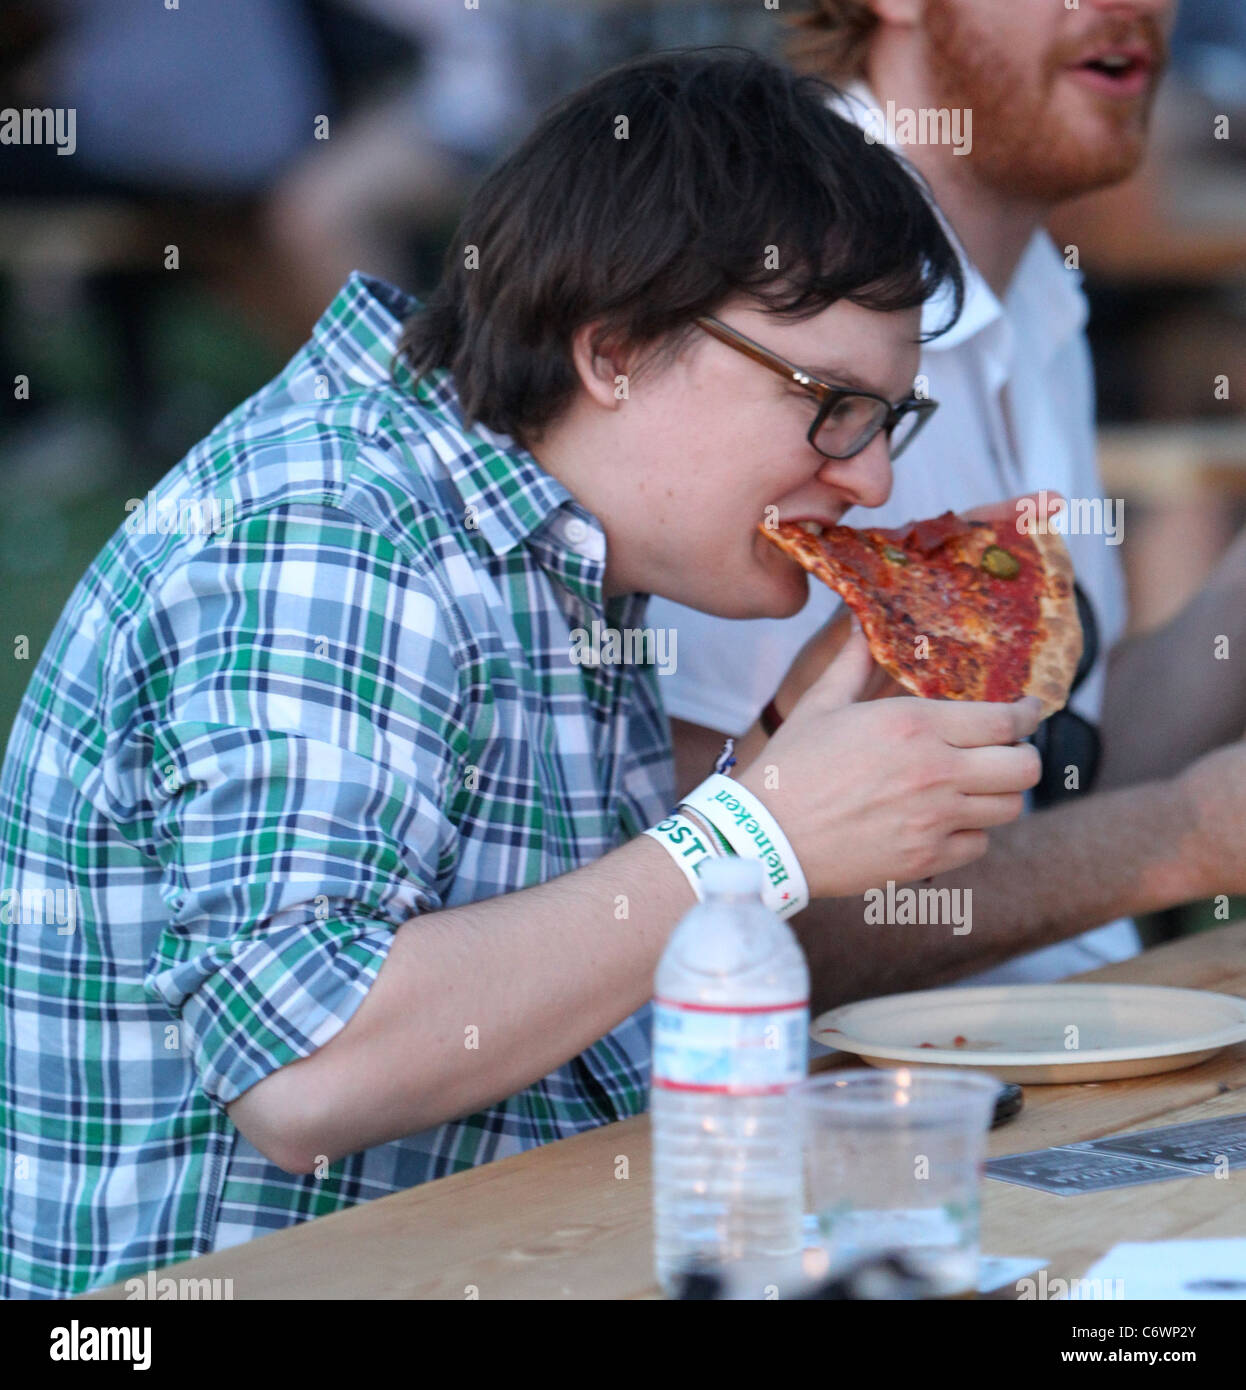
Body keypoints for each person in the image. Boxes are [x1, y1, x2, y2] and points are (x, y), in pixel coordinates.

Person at [0, 50, 1043, 1297]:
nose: (869, 480)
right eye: (829, 404)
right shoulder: (334, 530)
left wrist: (766, 763)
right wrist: (757, 837)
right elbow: (304, 1068)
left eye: (887, 418)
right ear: (614, 352)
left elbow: (555, 959)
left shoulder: (541, 522)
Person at [652, 0, 1246, 991]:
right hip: (816, 1116)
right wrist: (1188, 834)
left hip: (1042, 1072)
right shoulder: (771, 279)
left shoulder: (1029, 281)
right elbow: (726, 902)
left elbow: (1050, 764)